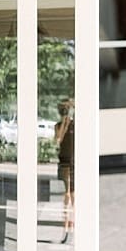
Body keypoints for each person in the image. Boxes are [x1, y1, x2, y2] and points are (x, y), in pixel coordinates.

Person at [55, 99, 75, 241]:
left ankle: (71, 227)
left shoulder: (75, 124)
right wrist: (65, 123)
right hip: (65, 162)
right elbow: (58, 140)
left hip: (74, 161)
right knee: (67, 195)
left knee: (73, 195)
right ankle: (66, 227)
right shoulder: (58, 125)